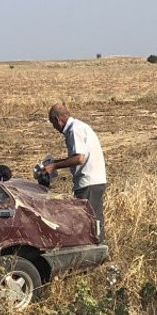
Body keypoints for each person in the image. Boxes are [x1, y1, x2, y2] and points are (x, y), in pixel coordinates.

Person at [42, 103, 107, 242]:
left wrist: (54, 166)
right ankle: (99, 247)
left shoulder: (74, 130)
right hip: (96, 180)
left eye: (53, 123)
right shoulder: (80, 126)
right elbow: (77, 156)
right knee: (95, 217)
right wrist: (54, 162)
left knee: (88, 220)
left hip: (88, 181)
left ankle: (96, 250)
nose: (54, 127)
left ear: (57, 119)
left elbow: (79, 158)